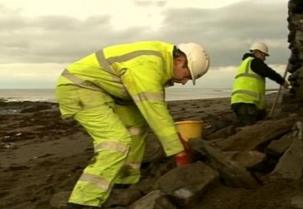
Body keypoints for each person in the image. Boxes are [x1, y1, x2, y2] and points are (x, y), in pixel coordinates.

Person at [55, 41, 210, 209]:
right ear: (180, 60)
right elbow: (155, 111)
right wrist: (179, 151)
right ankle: (83, 202)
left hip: (110, 91)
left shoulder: (159, 61)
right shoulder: (148, 63)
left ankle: (124, 181)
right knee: (115, 141)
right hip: (79, 87)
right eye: (187, 75)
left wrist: (175, 143)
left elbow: (155, 108)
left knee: (136, 128)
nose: (184, 82)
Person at [231, 41, 288, 126]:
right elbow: (269, 72)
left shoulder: (246, 63)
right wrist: (282, 81)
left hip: (244, 102)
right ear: (257, 52)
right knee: (249, 129)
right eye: (264, 55)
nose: (264, 58)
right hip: (246, 103)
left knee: (256, 123)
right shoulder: (254, 62)